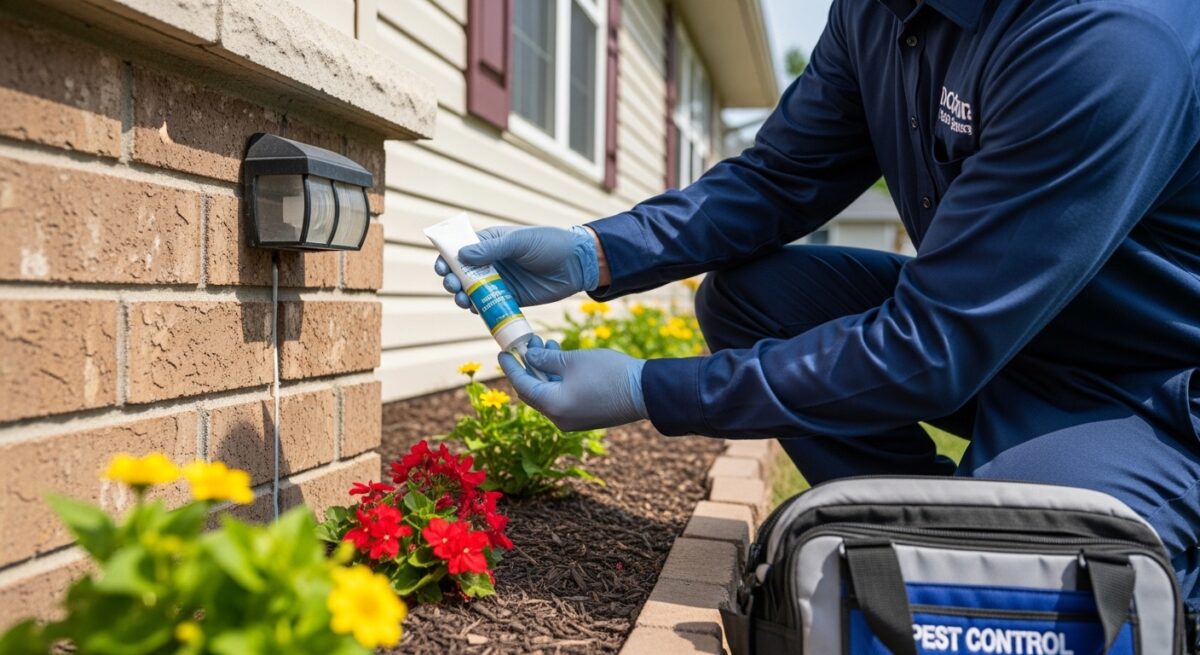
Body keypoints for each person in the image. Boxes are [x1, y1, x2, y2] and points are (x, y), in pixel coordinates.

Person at [435, 0, 1200, 607]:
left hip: (1136, 390)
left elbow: (928, 347)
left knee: (1039, 572)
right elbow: (777, 178)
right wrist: (594, 250)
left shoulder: (1103, 34)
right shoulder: (877, 13)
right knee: (755, 300)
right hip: (994, 333)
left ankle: (981, 541)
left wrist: (647, 388)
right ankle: (919, 525)